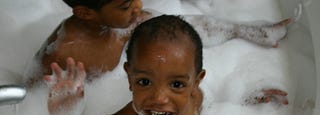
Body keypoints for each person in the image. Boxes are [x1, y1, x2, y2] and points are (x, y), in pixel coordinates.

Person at [44, 15, 288, 115]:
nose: (160, 97)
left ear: (196, 82)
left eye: (178, 85)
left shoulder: (196, 98)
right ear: (129, 77)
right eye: (144, 81)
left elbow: (216, 106)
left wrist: (246, 100)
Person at [26, 0, 290, 85]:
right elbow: (34, 97)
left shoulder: (126, 19)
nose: (139, 5)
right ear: (85, 13)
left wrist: (241, 30)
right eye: (126, 4)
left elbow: (181, 27)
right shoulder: (62, 54)